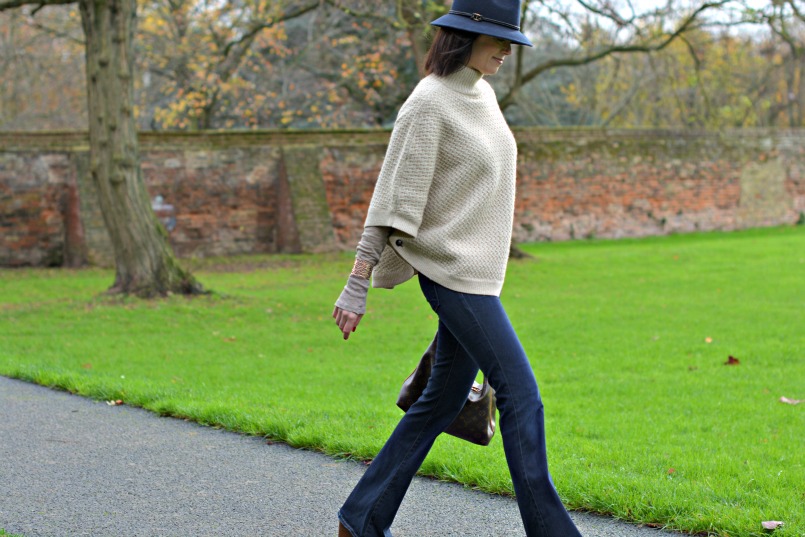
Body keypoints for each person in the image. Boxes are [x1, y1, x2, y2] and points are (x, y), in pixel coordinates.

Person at [331, 0, 583, 535]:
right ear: (465, 36)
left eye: (511, 41)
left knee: (438, 403)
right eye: (498, 40)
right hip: (449, 274)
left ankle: (360, 519)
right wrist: (358, 281)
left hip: (478, 276)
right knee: (522, 395)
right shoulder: (429, 103)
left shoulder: (482, 94)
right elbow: (391, 198)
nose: (506, 51)